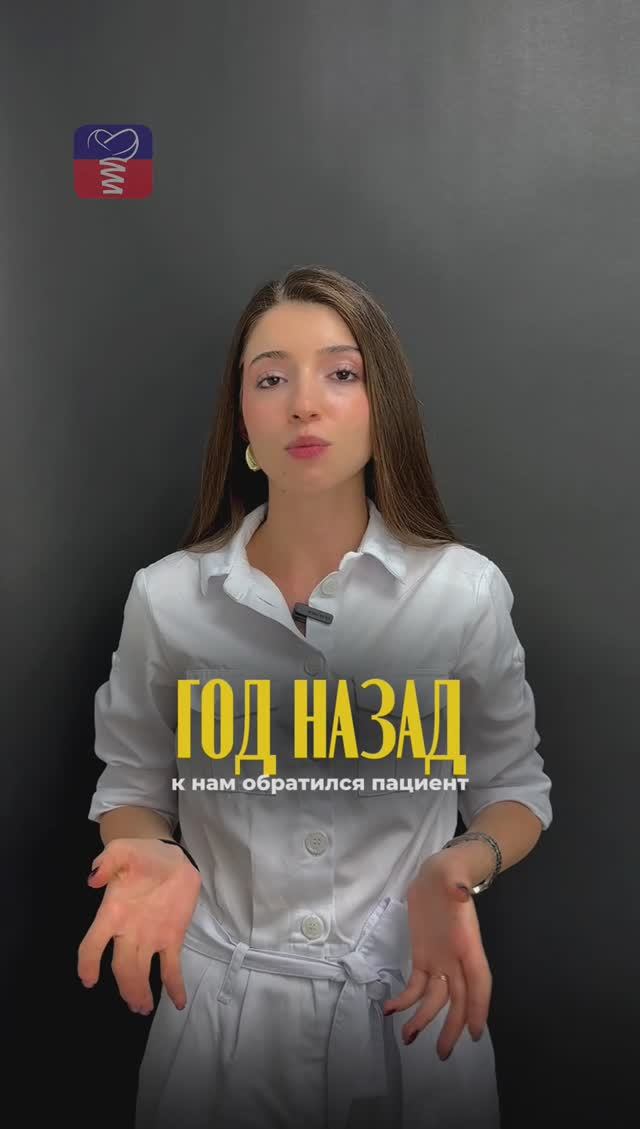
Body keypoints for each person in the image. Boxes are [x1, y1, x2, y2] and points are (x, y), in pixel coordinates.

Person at [78, 264, 552, 1129]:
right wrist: (147, 848)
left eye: (340, 373)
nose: (304, 404)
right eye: (271, 379)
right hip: (216, 1033)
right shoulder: (168, 597)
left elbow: (515, 789)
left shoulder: (463, 591)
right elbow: (133, 786)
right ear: (243, 419)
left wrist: (460, 866)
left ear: (382, 404)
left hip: (412, 1015)